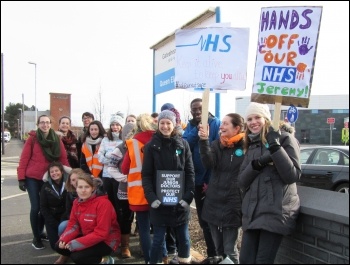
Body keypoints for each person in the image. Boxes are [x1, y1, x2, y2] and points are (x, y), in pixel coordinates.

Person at [238, 102, 301, 264]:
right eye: (250, 119)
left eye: (257, 117)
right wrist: (259, 163)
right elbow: (242, 180)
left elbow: (292, 175)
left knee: (262, 261)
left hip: (275, 211)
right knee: (245, 260)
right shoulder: (252, 144)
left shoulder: (285, 138)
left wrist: (275, 147)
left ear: (266, 118)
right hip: (253, 212)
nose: (253, 122)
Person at [142, 110, 195, 264]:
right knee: (158, 240)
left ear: (174, 124)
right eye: (162, 123)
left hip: (180, 204)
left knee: (184, 239)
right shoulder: (151, 146)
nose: (165, 126)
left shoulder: (183, 144)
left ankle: (184, 261)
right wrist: (151, 198)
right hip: (159, 204)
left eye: (168, 123)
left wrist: (188, 197)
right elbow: (146, 175)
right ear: (158, 125)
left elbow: (190, 172)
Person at [17, 114, 70, 250]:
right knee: (36, 208)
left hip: (48, 178)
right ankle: (36, 236)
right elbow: (24, 158)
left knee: (45, 208)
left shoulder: (56, 139)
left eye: (47, 122)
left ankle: (42, 232)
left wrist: (70, 175)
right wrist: (21, 178)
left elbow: (63, 158)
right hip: (32, 178)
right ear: (38, 124)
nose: (45, 125)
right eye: (42, 123)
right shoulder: (33, 139)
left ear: (51, 124)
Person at [198, 113, 245, 264]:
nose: (221, 126)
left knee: (230, 249)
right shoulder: (216, 145)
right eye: (221, 123)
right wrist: (204, 141)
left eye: (226, 123)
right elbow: (208, 164)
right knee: (218, 250)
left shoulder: (246, 146)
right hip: (213, 204)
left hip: (233, 205)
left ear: (236, 128)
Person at [182, 98, 221, 263]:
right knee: (203, 220)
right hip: (196, 181)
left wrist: (210, 182)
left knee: (215, 221)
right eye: (194, 110)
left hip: (211, 181)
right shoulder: (190, 126)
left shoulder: (216, 123)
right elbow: (184, 143)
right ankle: (211, 254)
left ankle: (220, 254)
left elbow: (217, 151)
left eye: (200, 109)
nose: (197, 112)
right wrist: (197, 132)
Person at [55, 173, 121, 264]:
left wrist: (76, 243)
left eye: (87, 187)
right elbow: (73, 224)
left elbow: (102, 233)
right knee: (59, 246)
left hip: (107, 241)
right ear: (76, 188)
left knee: (77, 257)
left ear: (93, 188)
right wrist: (64, 239)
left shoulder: (103, 204)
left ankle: (105, 260)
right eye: (80, 187)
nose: (83, 190)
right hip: (89, 235)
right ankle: (95, 258)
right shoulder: (76, 202)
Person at [121, 113, 157, 264]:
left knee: (143, 228)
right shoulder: (159, 140)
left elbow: (124, 169)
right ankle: (162, 256)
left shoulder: (133, 143)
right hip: (157, 191)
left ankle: (149, 259)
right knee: (159, 228)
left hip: (139, 192)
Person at [108, 122, 136, 259]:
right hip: (125, 189)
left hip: (141, 189)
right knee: (125, 217)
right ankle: (125, 246)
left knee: (143, 218)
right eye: (128, 134)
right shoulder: (120, 149)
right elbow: (111, 167)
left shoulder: (142, 146)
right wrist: (123, 178)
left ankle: (145, 245)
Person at [40, 162, 71, 264]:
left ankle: (67, 256)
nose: (54, 173)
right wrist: (52, 222)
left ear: (62, 172)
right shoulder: (45, 187)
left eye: (56, 171)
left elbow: (70, 205)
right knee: (55, 246)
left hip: (65, 216)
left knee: (67, 241)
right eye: (51, 172)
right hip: (52, 218)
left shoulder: (68, 184)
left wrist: (64, 218)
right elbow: (43, 207)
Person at [98, 112, 124, 214]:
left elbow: (123, 157)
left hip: (119, 175)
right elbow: (100, 156)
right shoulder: (105, 139)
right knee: (109, 200)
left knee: (119, 202)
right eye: (113, 124)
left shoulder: (124, 139)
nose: (115, 127)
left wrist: (112, 158)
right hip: (106, 175)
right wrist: (112, 161)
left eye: (117, 124)